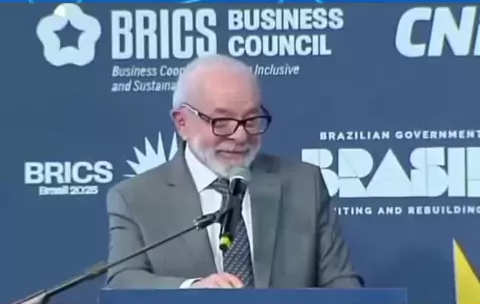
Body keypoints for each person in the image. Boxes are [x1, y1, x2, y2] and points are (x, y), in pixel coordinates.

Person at [106, 54, 362, 290]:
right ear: (182, 122)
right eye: (223, 122)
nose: (240, 136)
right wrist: (191, 290)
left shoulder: (304, 184)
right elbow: (122, 281)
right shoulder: (135, 198)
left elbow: (343, 286)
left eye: (251, 119)